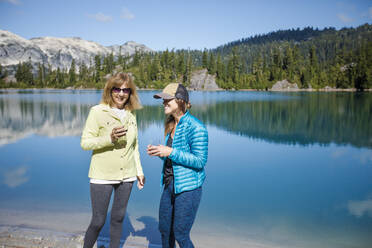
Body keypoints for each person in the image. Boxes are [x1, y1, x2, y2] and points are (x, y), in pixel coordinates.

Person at [81, 72, 145, 248]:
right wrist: (109, 139)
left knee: (118, 218)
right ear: (110, 90)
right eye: (117, 89)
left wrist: (139, 171)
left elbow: (135, 146)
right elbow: (85, 143)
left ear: (130, 93)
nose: (121, 94)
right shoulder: (97, 111)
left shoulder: (131, 114)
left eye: (126, 90)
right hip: (102, 174)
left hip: (128, 175)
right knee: (98, 221)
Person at [147, 83, 208, 248]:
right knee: (165, 229)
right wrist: (160, 153)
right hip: (169, 184)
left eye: (167, 99)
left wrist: (170, 152)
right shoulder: (172, 124)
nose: (164, 103)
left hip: (188, 189)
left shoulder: (196, 127)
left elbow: (200, 161)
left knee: (181, 234)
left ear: (180, 100)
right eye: (162, 99)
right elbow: (174, 158)